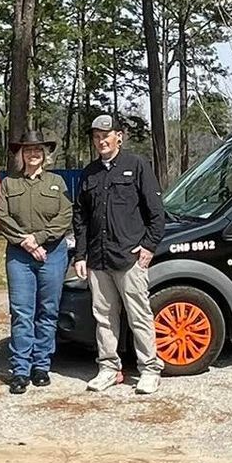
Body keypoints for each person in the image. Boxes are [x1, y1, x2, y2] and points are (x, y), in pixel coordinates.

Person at [72, 112, 166, 394]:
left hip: (129, 257)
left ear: (119, 137)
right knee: (103, 317)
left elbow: (157, 212)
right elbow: (81, 218)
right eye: (97, 136)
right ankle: (109, 368)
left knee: (139, 315)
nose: (101, 141)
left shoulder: (136, 165)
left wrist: (149, 245)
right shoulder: (89, 173)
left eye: (106, 135)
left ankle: (149, 368)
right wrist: (80, 255)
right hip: (98, 259)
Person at [0, 132, 73, 394]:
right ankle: (20, 369)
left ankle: (41, 365)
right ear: (21, 155)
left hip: (52, 254)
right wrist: (25, 243)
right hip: (19, 255)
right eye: (27, 150)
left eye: (37, 150)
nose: (33, 154)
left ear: (44, 154)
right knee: (22, 312)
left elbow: (65, 216)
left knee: (47, 311)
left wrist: (38, 239)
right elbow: (1, 215)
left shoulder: (56, 182)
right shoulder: (9, 184)